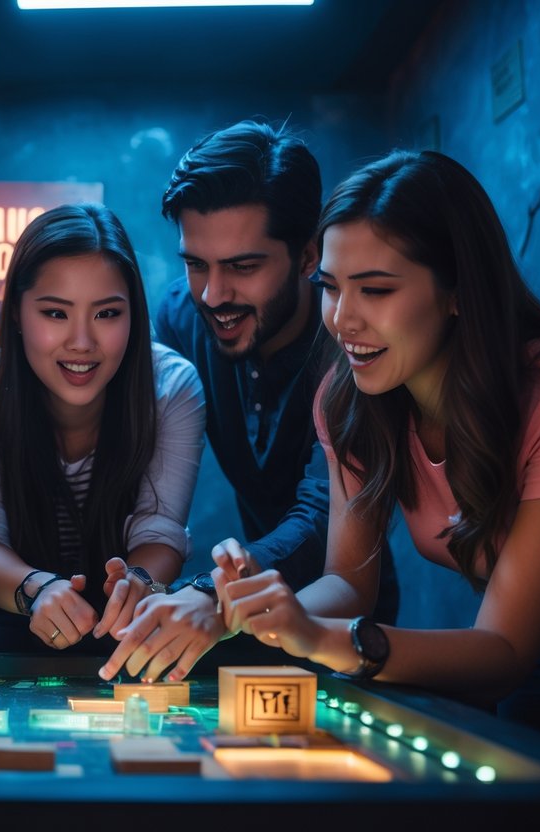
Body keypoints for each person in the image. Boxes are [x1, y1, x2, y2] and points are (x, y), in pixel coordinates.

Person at [213, 149, 540, 762]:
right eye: (329, 288)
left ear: (458, 290)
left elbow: (505, 653)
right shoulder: (347, 399)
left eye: (375, 290)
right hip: (529, 640)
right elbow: (348, 586)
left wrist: (323, 638)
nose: (342, 320)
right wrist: (270, 608)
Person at [101, 119, 397, 684]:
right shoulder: (180, 320)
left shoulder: (357, 348)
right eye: (195, 265)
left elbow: (321, 517)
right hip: (233, 613)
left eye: (243, 267)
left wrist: (214, 591)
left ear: (309, 255)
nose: (214, 295)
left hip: (344, 619)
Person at [0, 203, 205, 655]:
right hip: (4, 617)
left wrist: (136, 585)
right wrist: (38, 590)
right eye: (56, 314)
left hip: (125, 625)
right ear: (19, 315)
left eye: (106, 314)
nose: (82, 342)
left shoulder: (172, 387)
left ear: (133, 316)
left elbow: (159, 534)